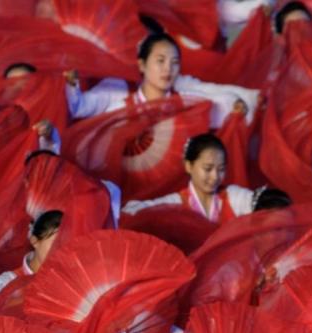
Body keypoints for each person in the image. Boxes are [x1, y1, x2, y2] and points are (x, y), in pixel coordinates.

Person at [65, 32, 259, 129]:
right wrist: (72, 84)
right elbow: (79, 107)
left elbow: (214, 98)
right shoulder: (117, 89)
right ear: (141, 64)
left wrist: (243, 102)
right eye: (160, 61)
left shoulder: (183, 101)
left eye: (175, 62)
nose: (168, 69)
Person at [122, 134, 254, 222]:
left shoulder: (232, 196)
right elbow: (131, 211)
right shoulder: (176, 203)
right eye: (208, 169)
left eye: (221, 169)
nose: (215, 177)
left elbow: (264, 203)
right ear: (189, 166)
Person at [0, 209, 61, 311]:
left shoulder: (69, 281)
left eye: (66, 244)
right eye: (55, 243)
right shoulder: (9, 281)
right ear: (35, 241)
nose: (61, 249)